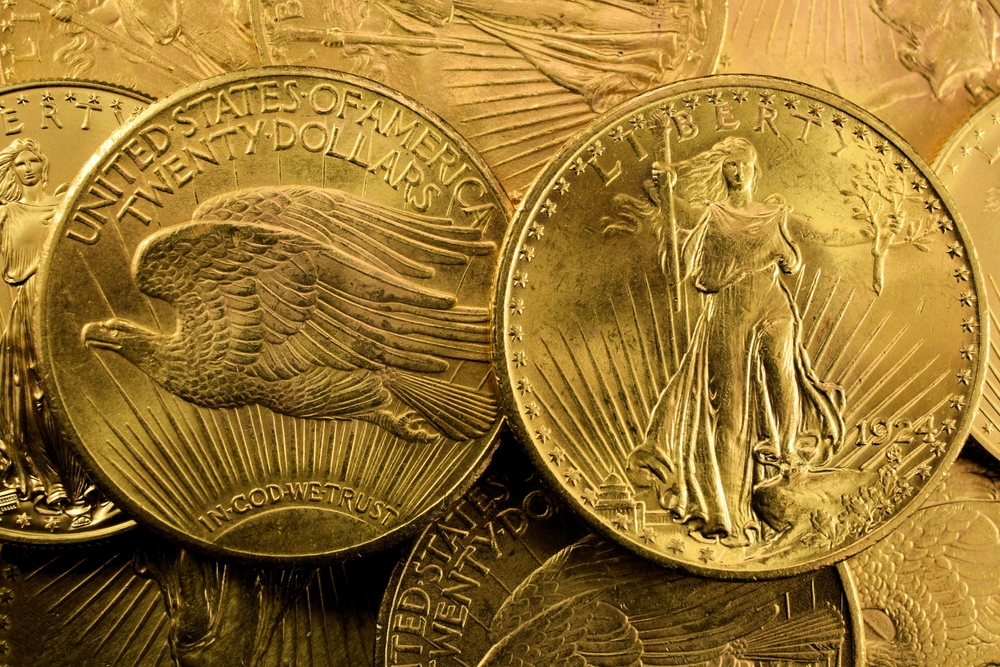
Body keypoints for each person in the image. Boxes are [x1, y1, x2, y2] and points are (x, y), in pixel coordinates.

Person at [614, 136, 874, 547]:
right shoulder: (714, 213)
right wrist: (661, 186)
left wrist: (870, 232)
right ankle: (728, 509)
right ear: (724, 171)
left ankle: (786, 459)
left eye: (743, 164)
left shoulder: (775, 214)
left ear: (755, 169)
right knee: (729, 409)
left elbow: (819, 233)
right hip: (729, 309)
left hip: (772, 304)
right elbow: (676, 208)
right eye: (729, 166)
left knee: (783, 373)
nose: (736, 171)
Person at [0, 139, 91, 516]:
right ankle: (48, 478)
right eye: (20, 163)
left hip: (61, 304)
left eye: (33, 159)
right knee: (30, 394)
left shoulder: (63, 206)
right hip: (26, 306)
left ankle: (82, 479)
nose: (28, 168)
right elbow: (12, 269)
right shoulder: (7, 214)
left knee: (67, 386)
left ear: (43, 162)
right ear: (12, 171)